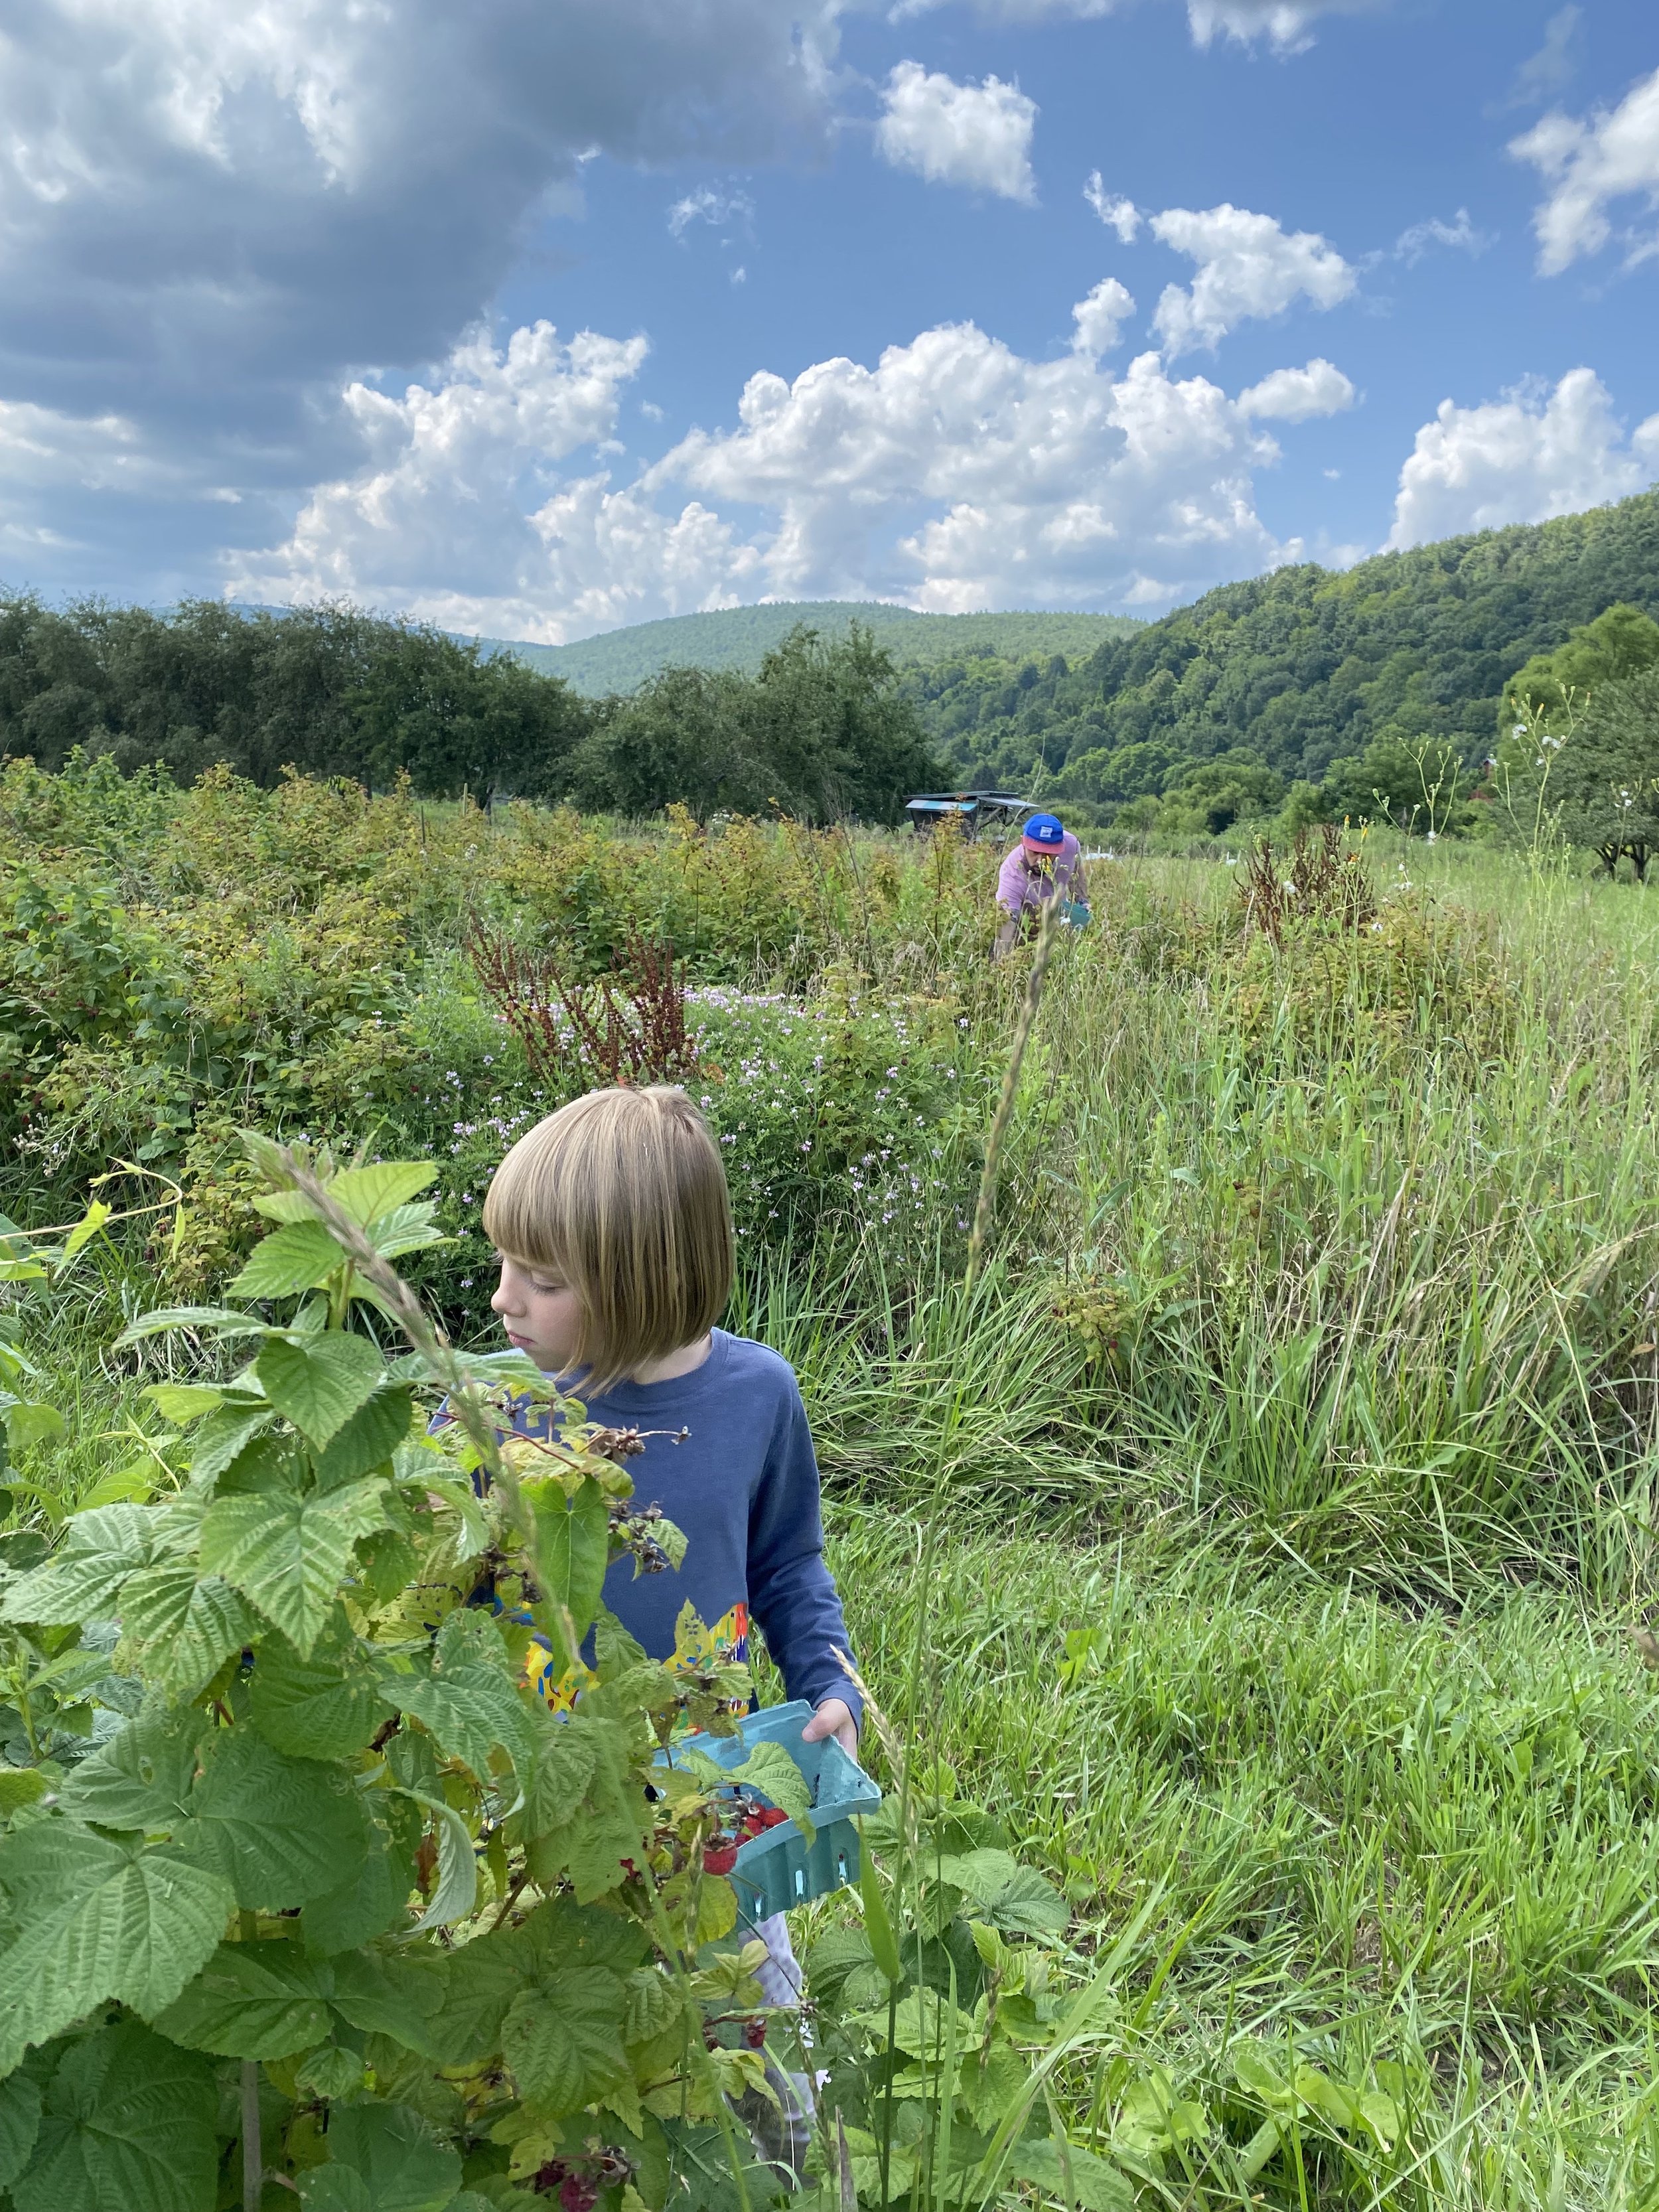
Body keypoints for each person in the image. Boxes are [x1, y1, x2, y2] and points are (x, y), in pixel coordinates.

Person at [475, 1083, 858, 2154]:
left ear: (640, 1281)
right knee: (552, 2051)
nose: (503, 1298)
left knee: (758, 2051)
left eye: (541, 1279)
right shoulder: (497, 1406)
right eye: (504, 1263)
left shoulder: (757, 1398)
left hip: (712, 1802)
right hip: (542, 1804)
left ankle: (781, 2174)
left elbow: (788, 1561)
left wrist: (830, 1680)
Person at [993, 810, 1088, 959]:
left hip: (1058, 916)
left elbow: (1077, 872)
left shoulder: (1071, 844)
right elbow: (1007, 923)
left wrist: (1083, 903)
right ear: (1022, 842)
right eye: (1035, 852)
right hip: (1026, 925)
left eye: (1048, 854)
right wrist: (1001, 964)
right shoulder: (1011, 873)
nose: (1041, 860)